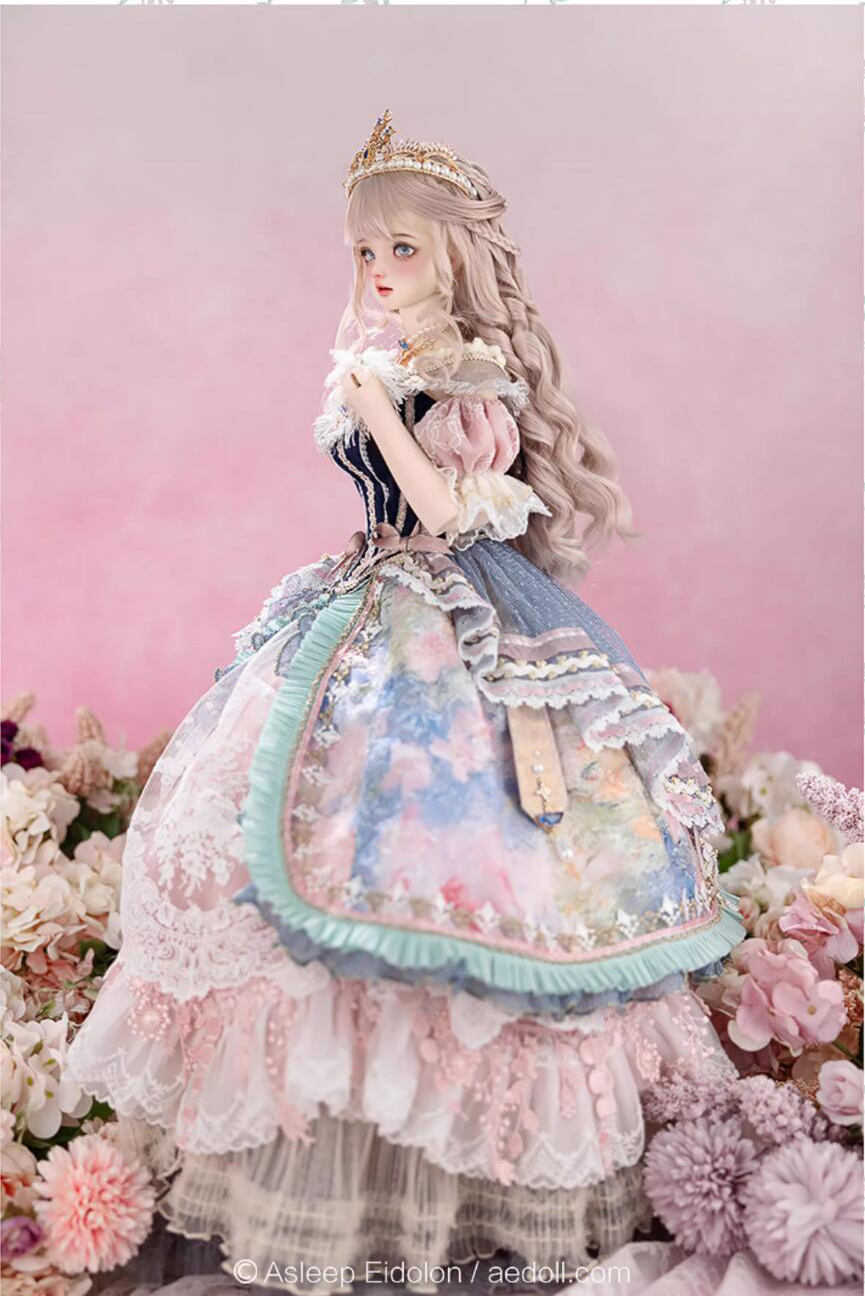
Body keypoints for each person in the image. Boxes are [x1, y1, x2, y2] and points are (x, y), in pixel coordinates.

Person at [66, 110, 745, 1293]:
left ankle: (462, 1177)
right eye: (364, 252)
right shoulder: (394, 356)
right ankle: (341, 1157)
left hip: (448, 611)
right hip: (361, 600)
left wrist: (378, 404)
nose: (377, 271)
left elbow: (442, 510)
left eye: (400, 249)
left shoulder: (463, 373)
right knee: (300, 834)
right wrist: (372, 389)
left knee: (457, 848)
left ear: (455, 257)